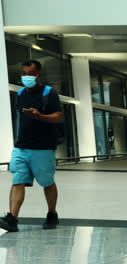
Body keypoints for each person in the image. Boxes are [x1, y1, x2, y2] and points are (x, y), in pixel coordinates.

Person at [0, 60, 63, 232]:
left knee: (47, 182)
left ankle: (52, 213)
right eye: (24, 73)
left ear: (38, 75)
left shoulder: (49, 93)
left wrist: (40, 116)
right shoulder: (20, 93)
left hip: (43, 148)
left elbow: (58, 117)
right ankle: (12, 218)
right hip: (21, 147)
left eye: (30, 74)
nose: (26, 77)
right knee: (18, 180)